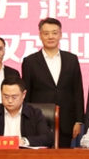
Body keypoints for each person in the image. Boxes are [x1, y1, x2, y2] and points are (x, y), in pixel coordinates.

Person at [21, 18, 84, 148]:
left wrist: (78, 121)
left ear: (60, 35)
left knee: (64, 158)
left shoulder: (71, 59)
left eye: (54, 33)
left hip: (66, 121)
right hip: (39, 121)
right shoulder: (30, 62)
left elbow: (77, 91)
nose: (51, 37)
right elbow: (27, 95)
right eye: (46, 33)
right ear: (40, 35)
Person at [0, 76, 54, 148]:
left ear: (24, 94)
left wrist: (24, 141)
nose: (9, 101)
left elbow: (48, 138)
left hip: (25, 158)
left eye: (14, 97)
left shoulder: (35, 114)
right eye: (6, 96)